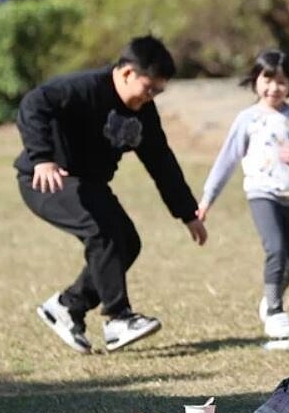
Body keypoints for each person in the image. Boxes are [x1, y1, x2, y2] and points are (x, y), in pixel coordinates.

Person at [16, 35, 207, 354]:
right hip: (48, 178)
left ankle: (68, 306)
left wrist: (187, 212)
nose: (151, 96)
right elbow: (35, 103)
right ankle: (118, 318)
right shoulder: (86, 88)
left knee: (128, 243)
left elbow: (161, 161)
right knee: (103, 232)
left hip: (89, 184)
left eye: (158, 91)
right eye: (149, 87)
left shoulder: (144, 112)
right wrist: (42, 158)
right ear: (127, 72)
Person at [196, 49, 289, 342]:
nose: (274, 87)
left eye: (282, 82)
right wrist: (206, 199)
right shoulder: (247, 119)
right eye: (268, 79)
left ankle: (269, 295)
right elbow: (226, 161)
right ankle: (275, 312)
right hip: (261, 193)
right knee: (275, 249)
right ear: (256, 80)